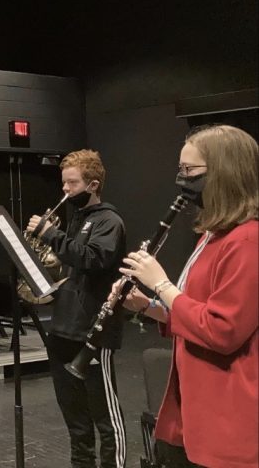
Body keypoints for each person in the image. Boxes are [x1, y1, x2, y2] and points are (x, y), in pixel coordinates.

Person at [116, 124, 258, 468]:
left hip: (230, 410)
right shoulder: (213, 236)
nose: (181, 179)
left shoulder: (248, 242)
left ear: (223, 173)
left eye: (189, 171)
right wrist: (148, 306)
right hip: (197, 404)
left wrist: (162, 285)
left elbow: (222, 331)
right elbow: (196, 314)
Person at [27, 149, 127, 468]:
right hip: (63, 327)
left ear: (93, 184)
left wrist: (51, 235)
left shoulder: (109, 221)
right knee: (76, 420)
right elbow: (68, 265)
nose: (65, 191)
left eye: (72, 184)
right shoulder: (74, 220)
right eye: (64, 183)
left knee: (104, 417)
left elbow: (93, 259)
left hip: (94, 330)